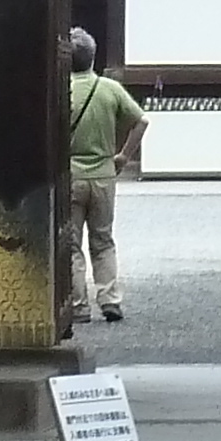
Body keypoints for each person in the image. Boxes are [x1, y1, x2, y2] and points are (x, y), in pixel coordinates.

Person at [63, 29, 146, 327]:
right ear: (93, 57)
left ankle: (78, 304)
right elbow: (141, 120)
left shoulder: (61, 90)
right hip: (103, 175)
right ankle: (109, 299)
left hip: (70, 175)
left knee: (71, 244)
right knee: (103, 240)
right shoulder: (108, 88)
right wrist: (124, 155)